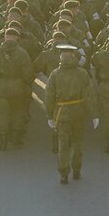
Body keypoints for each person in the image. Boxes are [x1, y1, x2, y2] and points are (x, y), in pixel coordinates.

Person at [44, 44, 99, 184]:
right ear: (74, 56)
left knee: (63, 145)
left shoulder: (55, 74)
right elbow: (89, 95)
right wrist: (94, 115)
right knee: (77, 143)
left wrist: (49, 116)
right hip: (78, 113)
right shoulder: (82, 73)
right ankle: (76, 170)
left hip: (61, 114)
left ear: (61, 57)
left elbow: (49, 96)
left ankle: (64, 173)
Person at [0, 25, 35, 150]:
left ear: (5, 37)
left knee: (3, 114)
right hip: (18, 87)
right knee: (18, 112)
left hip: (1, 88)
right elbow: (28, 72)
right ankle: (16, 137)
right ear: (17, 38)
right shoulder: (22, 53)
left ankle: (3, 140)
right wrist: (27, 84)